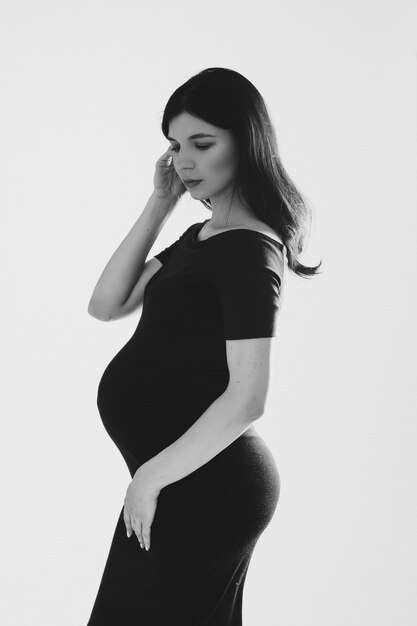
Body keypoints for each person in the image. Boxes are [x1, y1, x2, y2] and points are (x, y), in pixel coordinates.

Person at [86, 67, 322, 625]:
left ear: (246, 142)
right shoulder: (204, 237)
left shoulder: (249, 251)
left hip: (206, 488)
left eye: (202, 143)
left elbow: (248, 397)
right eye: (174, 146)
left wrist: (149, 478)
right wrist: (160, 203)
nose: (183, 161)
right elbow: (107, 303)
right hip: (175, 483)